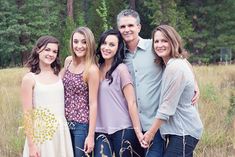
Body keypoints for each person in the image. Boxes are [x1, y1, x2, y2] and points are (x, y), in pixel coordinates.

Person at [116, 9, 200, 157]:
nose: (127, 29)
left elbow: (180, 60)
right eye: (123, 27)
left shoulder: (154, 47)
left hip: (155, 125)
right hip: (131, 125)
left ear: (139, 27)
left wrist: (194, 83)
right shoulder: (119, 55)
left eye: (130, 25)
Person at [142, 25, 203, 157]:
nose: (159, 45)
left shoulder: (174, 67)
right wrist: (195, 84)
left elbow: (167, 108)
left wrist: (151, 133)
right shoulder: (174, 63)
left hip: (184, 131)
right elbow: (186, 62)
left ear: (173, 42)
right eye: (156, 41)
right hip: (181, 131)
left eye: (164, 41)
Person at [21, 35, 73, 157]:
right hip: (42, 134)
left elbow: (74, 58)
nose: (51, 54)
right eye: (47, 49)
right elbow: (27, 115)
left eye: (55, 51)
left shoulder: (59, 74)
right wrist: (31, 146)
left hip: (61, 132)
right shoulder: (29, 78)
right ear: (38, 50)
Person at [94, 29, 144, 157]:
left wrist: (138, 132)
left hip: (123, 128)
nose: (106, 48)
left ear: (118, 48)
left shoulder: (121, 69)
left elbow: (131, 102)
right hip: (100, 129)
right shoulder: (95, 69)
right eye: (104, 43)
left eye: (112, 45)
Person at [61, 27, 99, 157]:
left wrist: (90, 135)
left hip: (81, 126)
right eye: (75, 41)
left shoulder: (92, 69)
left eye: (84, 42)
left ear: (90, 44)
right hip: (63, 122)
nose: (79, 46)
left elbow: (93, 103)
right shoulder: (68, 61)